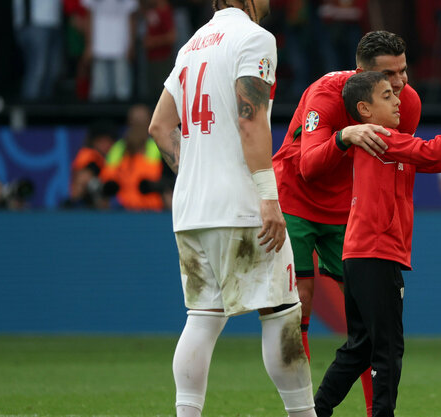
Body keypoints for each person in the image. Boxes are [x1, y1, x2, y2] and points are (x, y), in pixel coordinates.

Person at [147, 1, 316, 416]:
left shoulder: (191, 45)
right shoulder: (255, 39)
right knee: (281, 314)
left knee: (202, 318)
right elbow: (250, 117)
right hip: (242, 206)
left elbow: (158, 125)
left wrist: (198, 171)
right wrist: (268, 196)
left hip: (191, 208)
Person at [314, 71, 441, 417]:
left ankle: (315, 410)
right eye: (387, 95)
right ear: (364, 110)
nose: (398, 99)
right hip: (375, 254)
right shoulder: (380, 137)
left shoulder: (390, 142)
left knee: (361, 348)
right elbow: (433, 150)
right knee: (386, 347)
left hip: (363, 254)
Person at [272, 30, 421, 417]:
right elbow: (309, 167)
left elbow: (398, 164)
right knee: (300, 303)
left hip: (346, 210)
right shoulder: (325, 95)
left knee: (369, 321)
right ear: (361, 75)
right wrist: (344, 136)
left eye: (404, 71)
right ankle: (303, 411)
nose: (401, 83)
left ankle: (375, 410)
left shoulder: (410, 103)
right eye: (390, 76)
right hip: (296, 199)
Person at [100, 104, 166, 211]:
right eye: (135, 122)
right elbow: (107, 182)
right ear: (128, 123)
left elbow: (165, 183)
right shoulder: (117, 149)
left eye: (142, 122)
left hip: (152, 212)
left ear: (149, 123)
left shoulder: (159, 148)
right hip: (122, 212)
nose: (138, 126)